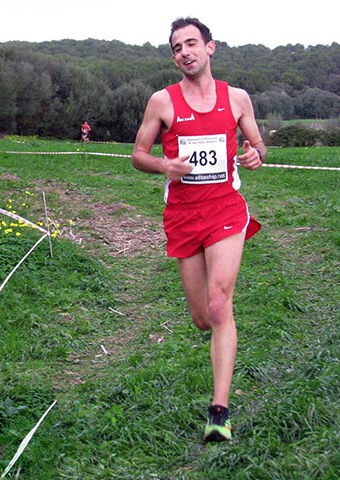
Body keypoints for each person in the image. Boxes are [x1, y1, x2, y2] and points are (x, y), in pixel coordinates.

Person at [131, 17, 265, 442]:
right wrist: (162, 165)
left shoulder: (238, 98)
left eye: (191, 43)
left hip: (226, 209)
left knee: (220, 304)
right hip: (184, 217)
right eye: (176, 47)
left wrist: (255, 154)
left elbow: (259, 145)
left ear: (211, 47)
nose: (184, 52)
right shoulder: (162, 102)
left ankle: (219, 412)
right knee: (203, 318)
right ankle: (216, 335)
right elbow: (137, 154)